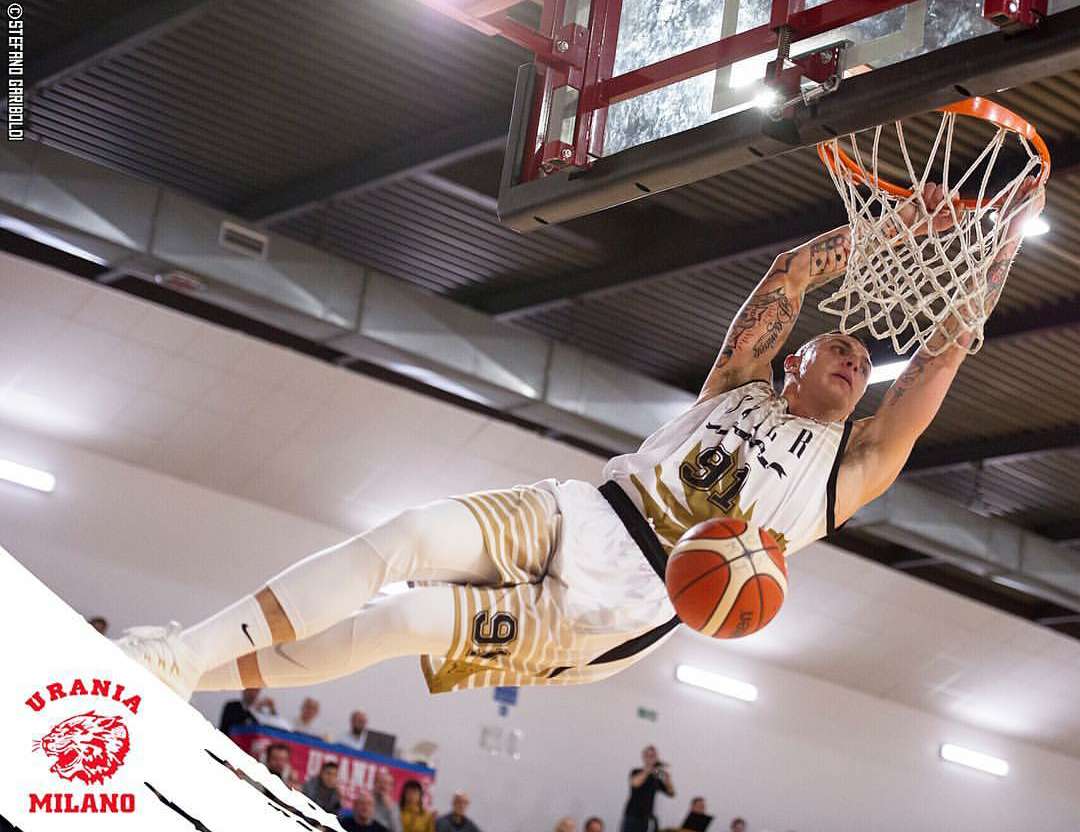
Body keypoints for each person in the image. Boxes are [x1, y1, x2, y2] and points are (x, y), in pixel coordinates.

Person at [115, 181, 1044, 700]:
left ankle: (189, 673)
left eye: (861, 361)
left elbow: (942, 356)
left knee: (400, 622)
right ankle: (178, 659)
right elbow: (791, 272)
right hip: (583, 511)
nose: (853, 358)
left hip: (625, 610)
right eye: (835, 346)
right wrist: (889, 227)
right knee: (401, 536)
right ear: (790, 362)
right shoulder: (736, 381)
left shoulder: (856, 469)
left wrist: (990, 248)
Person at [621, 745, 674, 832]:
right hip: (632, 816)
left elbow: (671, 793)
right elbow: (635, 783)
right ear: (644, 757)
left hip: (646, 818)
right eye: (648, 756)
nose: (651, 758)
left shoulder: (656, 776)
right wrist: (649, 769)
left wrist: (667, 779)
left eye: (653, 756)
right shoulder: (636, 771)